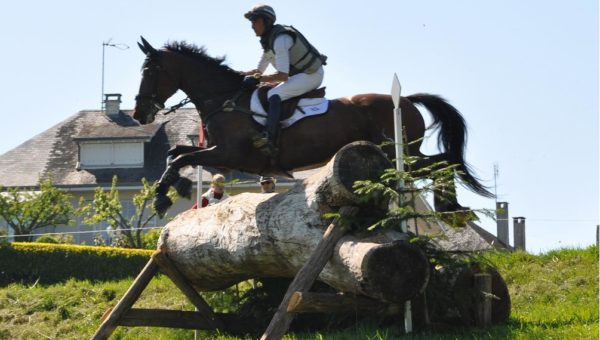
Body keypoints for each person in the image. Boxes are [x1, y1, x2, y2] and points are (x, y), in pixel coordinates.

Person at [242, 4, 327, 155]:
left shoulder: (280, 39)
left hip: (311, 75)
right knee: (268, 91)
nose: (252, 26)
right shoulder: (269, 41)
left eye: (254, 22)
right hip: (300, 75)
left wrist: (257, 79)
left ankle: (270, 138)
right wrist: (235, 74)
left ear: (265, 21)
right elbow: (258, 71)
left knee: (273, 95)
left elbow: (282, 76)